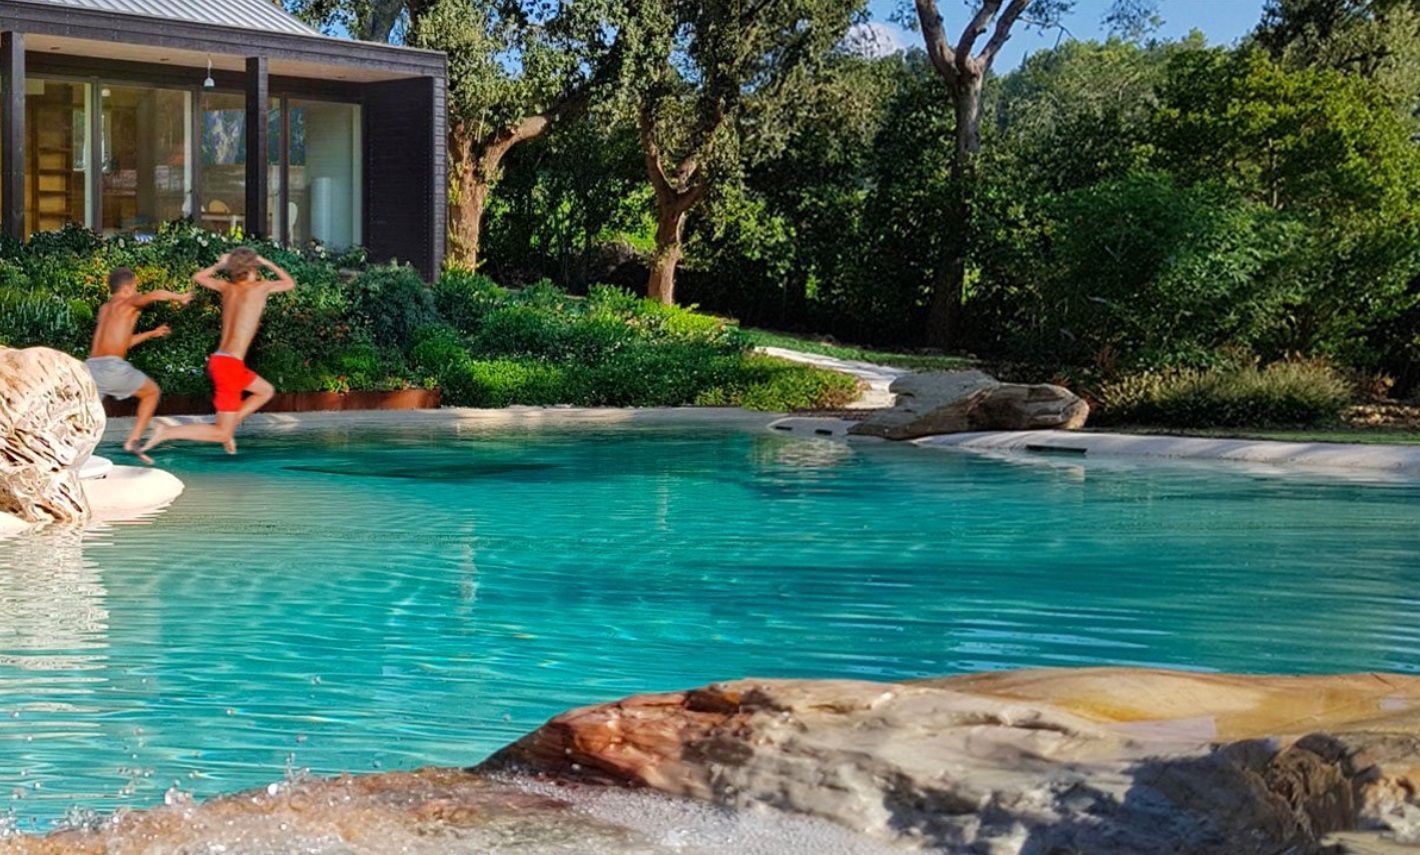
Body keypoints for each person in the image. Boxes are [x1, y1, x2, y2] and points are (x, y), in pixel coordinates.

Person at [142, 248, 294, 456]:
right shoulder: (260, 288)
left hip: (224, 361)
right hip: (229, 366)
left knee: (265, 391)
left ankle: (230, 425)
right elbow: (289, 283)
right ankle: (168, 431)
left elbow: (199, 277)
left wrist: (219, 265)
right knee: (221, 434)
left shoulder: (226, 287)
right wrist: (268, 263)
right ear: (252, 268)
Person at [86, 268, 192, 464]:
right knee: (151, 392)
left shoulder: (105, 309)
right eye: (135, 287)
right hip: (111, 367)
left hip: (90, 368)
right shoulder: (128, 301)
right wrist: (180, 297)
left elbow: (123, 342)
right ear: (127, 288)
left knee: (87, 418)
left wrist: (152, 333)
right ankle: (133, 441)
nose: (137, 291)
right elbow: (155, 295)